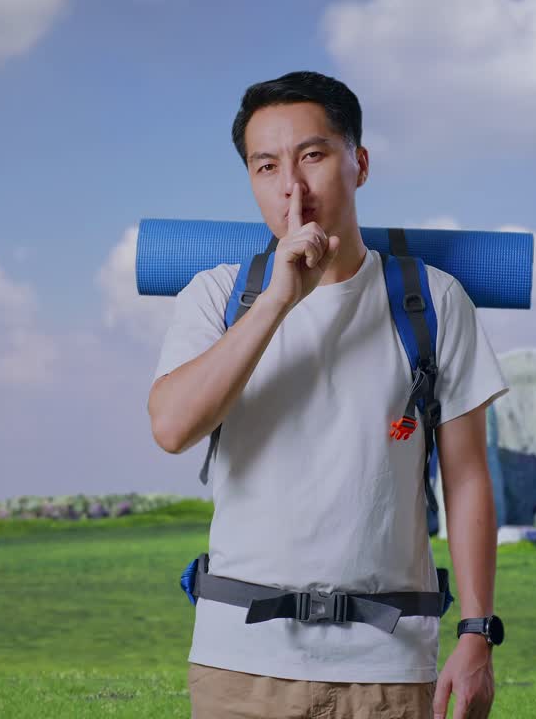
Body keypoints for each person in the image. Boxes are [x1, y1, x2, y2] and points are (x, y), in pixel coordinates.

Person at [148, 70, 509, 719]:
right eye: (266, 167)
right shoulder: (216, 295)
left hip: (389, 666)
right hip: (241, 665)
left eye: (312, 156)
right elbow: (172, 428)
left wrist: (478, 632)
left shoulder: (433, 301)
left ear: (359, 164)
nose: (291, 186)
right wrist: (277, 301)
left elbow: (467, 478)